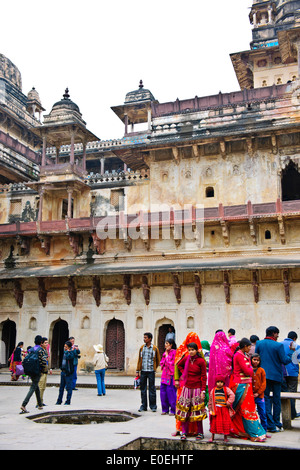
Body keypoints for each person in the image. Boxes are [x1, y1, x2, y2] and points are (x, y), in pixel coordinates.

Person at [255, 326, 295, 432]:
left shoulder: (259, 343)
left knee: (266, 399)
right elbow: (285, 360)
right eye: (277, 334)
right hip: (276, 376)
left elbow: (256, 358)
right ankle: (276, 423)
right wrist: (291, 352)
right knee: (276, 400)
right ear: (273, 334)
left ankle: (269, 423)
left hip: (263, 375)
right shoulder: (278, 345)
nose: (278, 336)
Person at [230, 338, 267, 442]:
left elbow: (248, 370)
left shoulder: (244, 355)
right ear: (245, 346)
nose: (250, 348)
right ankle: (253, 433)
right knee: (247, 410)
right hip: (241, 386)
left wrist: (249, 368)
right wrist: (250, 368)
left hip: (245, 385)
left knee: (244, 410)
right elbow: (248, 371)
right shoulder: (239, 355)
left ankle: (241, 430)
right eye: (249, 346)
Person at [173, 332, 205, 437]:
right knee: (185, 410)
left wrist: (203, 391)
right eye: (190, 350)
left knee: (197, 411)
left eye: (193, 350)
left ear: (196, 350)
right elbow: (178, 365)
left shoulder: (201, 361)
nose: (191, 352)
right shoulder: (186, 358)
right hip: (186, 387)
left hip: (197, 388)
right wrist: (184, 373)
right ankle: (184, 432)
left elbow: (204, 377)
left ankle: (200, 432)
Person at [20, 335, 48, 413]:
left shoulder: (30, 349)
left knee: (36, 386)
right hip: (37, 371)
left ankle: (40, 404)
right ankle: (24, 404)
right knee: (33, 387)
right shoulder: (41, 350)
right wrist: (44, 371)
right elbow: (43, 362)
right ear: (41, 342)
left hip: (30, 370)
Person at [136, 332, 161, 412]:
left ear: (150, 339)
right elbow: (139, 360)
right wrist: (137, 370)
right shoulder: (142, 348)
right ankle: (143, 405)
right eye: (144, 337)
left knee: (152, 388)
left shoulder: (154, 348)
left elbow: (158, 360)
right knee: (143, 389)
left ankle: (153, 406)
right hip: (143, 371)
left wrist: (154, 368)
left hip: (151, 371)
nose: (144, 339)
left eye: (146, 338)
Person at [208, 375, 235, 442]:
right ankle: (212, 437)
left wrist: (228, 402)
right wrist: (210, 408)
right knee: (214, 423)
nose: (219, 383)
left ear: (223, 383)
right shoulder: (213, 390)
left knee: (225, 423)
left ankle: (225, 437)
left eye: (221, 382)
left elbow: (232, 395)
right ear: (216, 383)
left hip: (224, 410)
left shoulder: (226, 389)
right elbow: (210, 400)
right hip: (216, 410)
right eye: (218, 382)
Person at [281, 331, 300, 420]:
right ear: (295, 338)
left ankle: (286, 413)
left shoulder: (279, 345)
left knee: (284, 393)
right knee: (292, 393)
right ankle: (292, 413)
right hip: (293, 372)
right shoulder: (296, 346)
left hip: (282, 372)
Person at [251, 353, 268, 434]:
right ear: (251, 360)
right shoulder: (249, 370)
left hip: (260, 396)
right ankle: (254, 430)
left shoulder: (261, 370)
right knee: (252, 414)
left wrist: (258, 393)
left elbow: (264, 384)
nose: (256, 362)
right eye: (254, 359)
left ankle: (264, 431)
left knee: (263, 413)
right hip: (251, 396)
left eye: (258, 360)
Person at [55, 341, 76, 405]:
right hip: (63, 372)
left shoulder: (71, 353)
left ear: (69, 347)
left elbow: (69, 357)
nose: (65, 348)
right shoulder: (64, 353)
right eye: (64, 346)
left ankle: (68, 401)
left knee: (69, 388)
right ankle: (59, 400)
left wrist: (68, 351)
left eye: (66, 347)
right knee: (61, 388)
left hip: (68, 373)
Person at [160, 338, 177, 415]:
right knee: (163, 392)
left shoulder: (174, 352)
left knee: (171, 392)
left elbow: (172, 363)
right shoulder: (165, 353)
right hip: (164, 375)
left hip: (171, 375)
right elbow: (162, 363)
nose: (165, 345)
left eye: (167, 343)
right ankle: (165, 409)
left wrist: (167, 357)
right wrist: (165, 357)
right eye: (165, 343)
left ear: (171, 345)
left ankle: (173, 409)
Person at [36, 337, 51, 407]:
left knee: (43, 387)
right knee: (40, 387)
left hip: (45, 371)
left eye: (47, 342)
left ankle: (41, 401)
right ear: (41, 343)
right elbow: (41, 361)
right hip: (41, 371)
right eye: (45, 343)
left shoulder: (45, 351)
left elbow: (46, 361)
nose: (47, 344)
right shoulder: (40, 351)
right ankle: (38, 402)